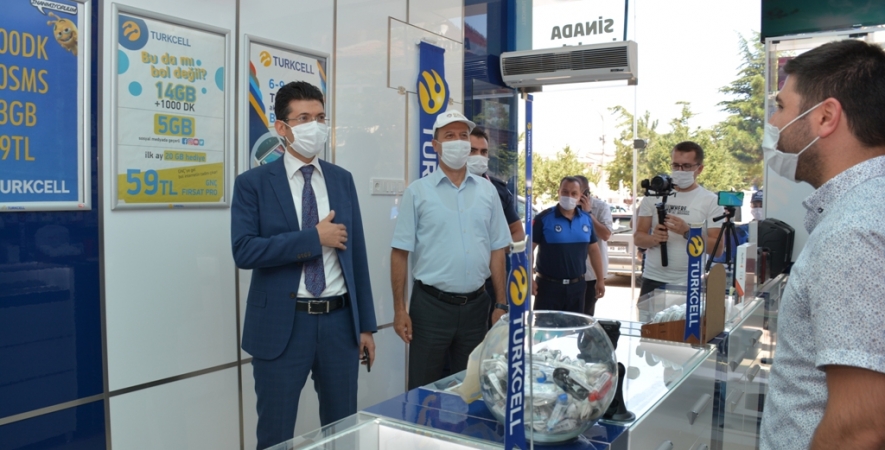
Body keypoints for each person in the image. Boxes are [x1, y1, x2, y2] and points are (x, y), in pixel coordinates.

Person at [231, 81, 377, 449]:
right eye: (304, 118)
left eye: (321, 117)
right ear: (282, 127)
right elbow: (244, 251)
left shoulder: (341, 179)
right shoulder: (253, 184)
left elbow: (357, 254)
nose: (315, 126)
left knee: (343, 432)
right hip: (283, 326)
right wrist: (314, 239)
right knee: (276, 435)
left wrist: (366, 326)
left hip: (339, 324)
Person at [759, 39, 885, 450]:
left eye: (781, 106)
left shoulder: (852, 231)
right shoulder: (868, 207)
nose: (774, 121)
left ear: (826, 117)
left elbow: (861, 426)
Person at [390, 110, 511, 390]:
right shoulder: (417, 192)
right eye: (449, 136)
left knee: (470, 389)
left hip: (476, 308)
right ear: (436, 145)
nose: (458, 141)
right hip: (430, 308)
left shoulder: (488, 192)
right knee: (423, 391)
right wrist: (399, 310)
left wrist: (501, 303)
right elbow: (400, 253)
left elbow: (497, 249)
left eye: (463, 135)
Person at [634, 141, 724, 297]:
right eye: (676, 165)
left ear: (699, 169)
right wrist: (653, 239)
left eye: (687, 166)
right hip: (652, 278)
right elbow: (638, 238)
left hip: (690, 281)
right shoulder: (654, 195)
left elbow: (717, 249)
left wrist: (688, 232)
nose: (680, 171)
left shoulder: (711, 200)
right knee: (646, 314)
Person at [467, 126, 526, 323]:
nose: (479, 156)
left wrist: (494, 250)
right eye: (472, 151)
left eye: (483, 152)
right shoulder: (445, 188)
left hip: (490, 282)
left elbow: (517, 232)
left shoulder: (497, 190)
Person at [531, 176, 605, 313]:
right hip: (548, 288)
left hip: (577, 287)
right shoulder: (543, 218)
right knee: (545, 326)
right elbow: (528, 250)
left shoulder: (586, 219)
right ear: (558, 192)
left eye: (574, 193)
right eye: (565, 192)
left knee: (575, 325)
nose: (569, 196)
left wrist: (600, 280)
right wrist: (529, 278)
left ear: (580, 196)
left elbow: (594, 250)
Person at [574, 175, 612, 316]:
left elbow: (606, 235)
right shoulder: (566, 208)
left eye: (576, 191)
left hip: (591, 274)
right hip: (570, 272)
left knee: (585, 314)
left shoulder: (601, 207)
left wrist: (588, 214)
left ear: (586, 192)